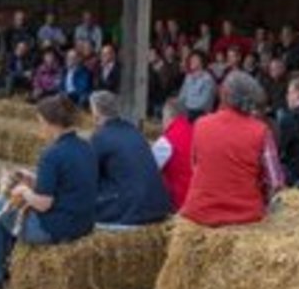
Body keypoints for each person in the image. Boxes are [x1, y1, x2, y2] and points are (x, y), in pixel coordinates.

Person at [0, 95, 96, 289]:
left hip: (56, 229)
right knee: (8, 208)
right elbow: (67, 184)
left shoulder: (51, 154)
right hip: (85, 224)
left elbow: (44, 203)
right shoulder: (86, 147)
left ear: (51, 123)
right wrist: (34, 180)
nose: (40, 128)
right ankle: (8, 265)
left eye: (40, 122)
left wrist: (22, 190)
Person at [180, 71, 285, 227]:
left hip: (199, 213)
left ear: (223, 94)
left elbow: (195, 167)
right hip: (245, 217)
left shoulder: (201, 124)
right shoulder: (261, 131)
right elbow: (276, 183)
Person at [89, 91, 172, 226]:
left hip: (133, 210)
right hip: (159, 206)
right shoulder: (134, 131)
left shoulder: (100, 137)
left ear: (96, 114)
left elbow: (88, 175)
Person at [151, 97, 195, 211]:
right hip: (196, 199)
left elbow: (147, 170)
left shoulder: (166, 141)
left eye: (163, 117)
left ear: (168, 116)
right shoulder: (196, 132)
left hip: (177, 202)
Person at [180, 50, 216, 121]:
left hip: (201, 114)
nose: (191, 61)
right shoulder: (188, 77)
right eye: (191, 59)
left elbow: (204, 103)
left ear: (201, 62)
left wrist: (187, 106)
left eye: (194, 59)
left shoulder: (208, 79)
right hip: (187, 111)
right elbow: (182, 96)